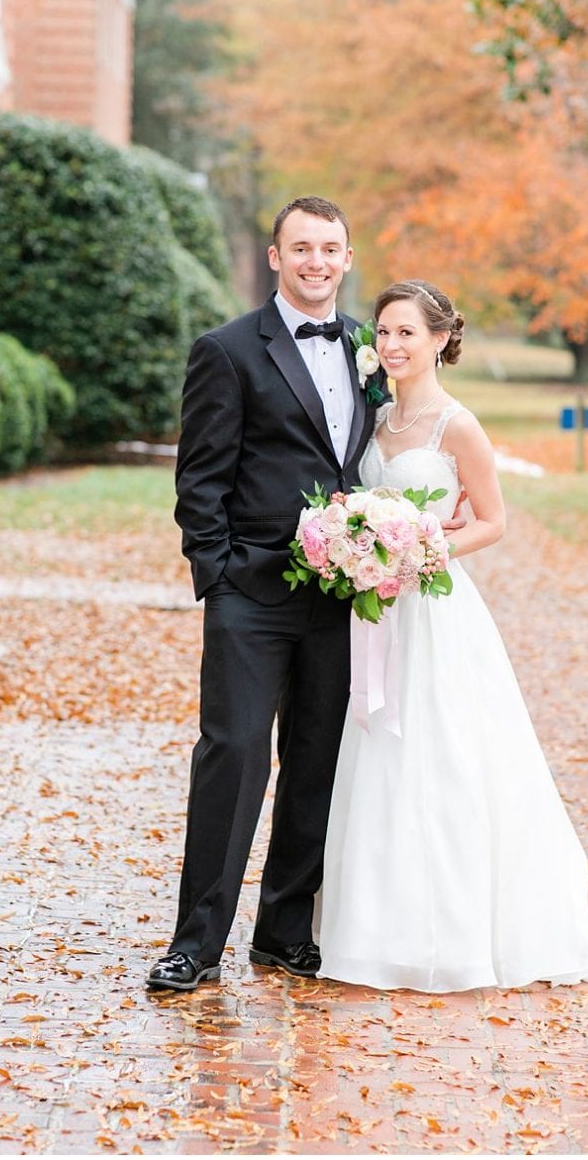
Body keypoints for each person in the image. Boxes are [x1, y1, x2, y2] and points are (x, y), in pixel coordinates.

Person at [315, 280, 588, 993]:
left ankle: (455, 933)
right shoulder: (372, 419)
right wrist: (355, 537)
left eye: (408, 332)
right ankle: (374, 931)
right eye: (385, 331)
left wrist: (421, 547)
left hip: (433, 607)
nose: (393, 345)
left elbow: (493, 521)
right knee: (379, 751)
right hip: (377, 608)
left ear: (439, 340)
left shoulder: (454, 425)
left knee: (443, 754)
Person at [154, 196, 389, 992]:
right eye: (302, 247)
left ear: (347, 259)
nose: (317, 261)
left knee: (316, 760)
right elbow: (200, 478)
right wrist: (218, 573)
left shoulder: (368, 350)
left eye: (330, 248)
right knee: (235, 755)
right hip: (250, 594)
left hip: (340, 596)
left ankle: (285, 932)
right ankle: (196, 943)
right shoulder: (225, 350)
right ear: (275, 257)